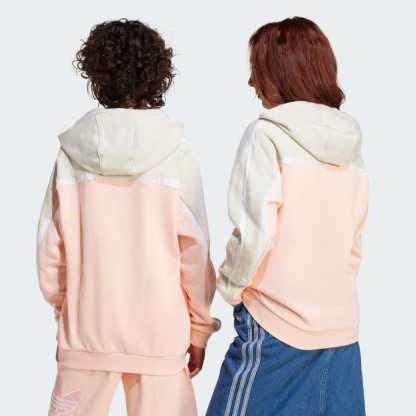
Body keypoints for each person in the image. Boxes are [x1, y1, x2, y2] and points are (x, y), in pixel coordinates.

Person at [37, 19, 219, 416]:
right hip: (159, 333)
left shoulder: (71, 153)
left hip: (86, 330)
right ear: (158, 75)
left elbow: (50, 249)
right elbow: (195, 252)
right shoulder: (177, 153)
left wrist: (67, 309)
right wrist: (199, 327)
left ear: (96, 75)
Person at [207, 17, 368, 416]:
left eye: (256, 69)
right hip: (340, 327)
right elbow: (354, 239)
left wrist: (230, 287)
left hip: (276, 323)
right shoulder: (350, 147)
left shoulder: (266, 135)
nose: (251, 82)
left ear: (283, 71)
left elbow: (256, 230)